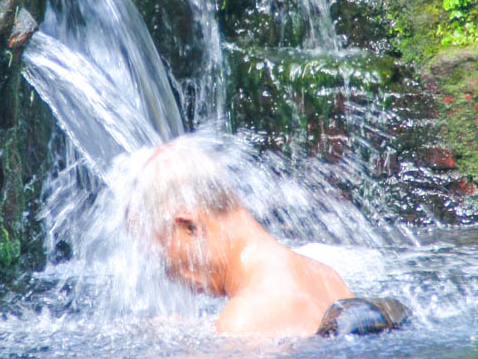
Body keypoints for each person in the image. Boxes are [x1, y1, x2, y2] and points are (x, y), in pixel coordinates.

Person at [126, 139, 403, 338]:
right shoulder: (326, 277)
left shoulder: (245, 318)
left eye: (161, 253)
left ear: (190, 226)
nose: (168, 274)